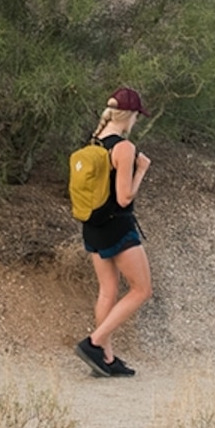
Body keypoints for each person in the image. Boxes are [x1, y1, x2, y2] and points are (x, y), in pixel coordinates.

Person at [77, 85, 153, 378]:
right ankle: (94, 343)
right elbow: (123, 197)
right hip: (117, 227)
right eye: (136, 116)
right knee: (142, 289)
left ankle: (105, 360)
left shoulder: (93, 142)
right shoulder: (123, 147)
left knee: (108, 289)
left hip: (92, 226)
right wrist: (141, 171)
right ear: (130, 115)